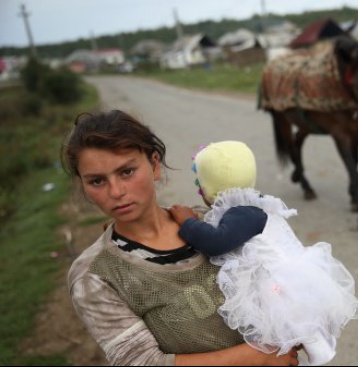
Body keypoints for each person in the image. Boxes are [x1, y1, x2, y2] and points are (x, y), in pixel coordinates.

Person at [63, 109, 300, 366]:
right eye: (97, 181)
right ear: (84, 186)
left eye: (127, 172)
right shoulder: (96, 275)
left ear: (154, 165)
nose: (117, 191)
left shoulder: (213, 224)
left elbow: (284, 281)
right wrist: (259, 357)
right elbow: (143, 362)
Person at [168, 140, 358, 366]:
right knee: (294, 325)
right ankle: (311, 351)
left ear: (207, 188)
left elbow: (217, 242)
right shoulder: (253, 207)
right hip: (287, 277)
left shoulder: (242, 213)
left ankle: (315, 353)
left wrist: (188, 223)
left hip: (281, 283)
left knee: (291, 322)